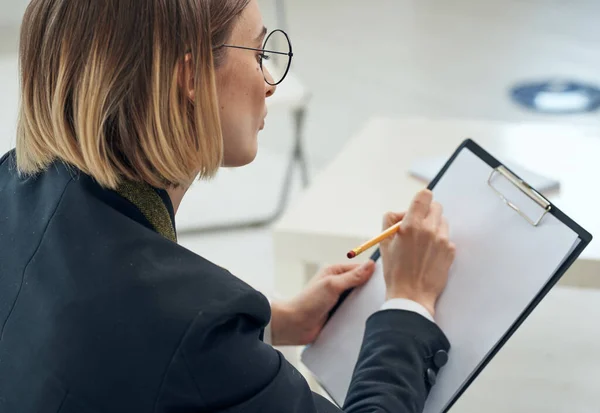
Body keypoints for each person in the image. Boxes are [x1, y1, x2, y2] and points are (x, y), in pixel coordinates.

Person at [0, 0, 456, 412]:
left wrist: (275, 322)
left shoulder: (12, 182)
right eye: (259, 55)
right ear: (189, 77)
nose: (270, 84)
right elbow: (167, 340)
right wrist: (407, 304)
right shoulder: (191, 331)